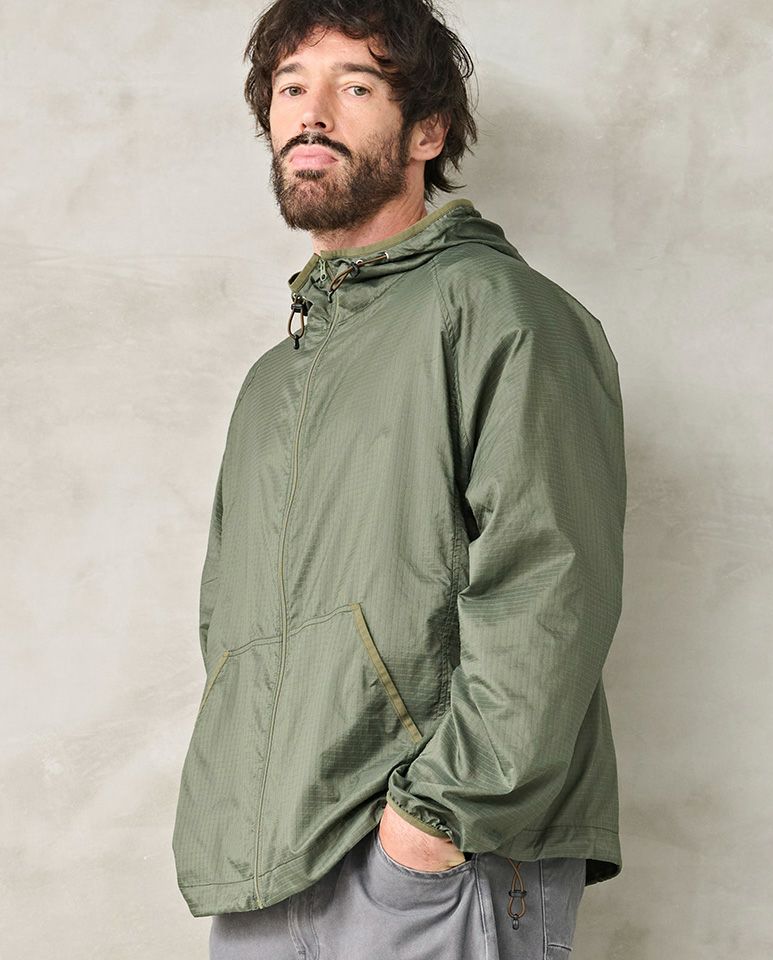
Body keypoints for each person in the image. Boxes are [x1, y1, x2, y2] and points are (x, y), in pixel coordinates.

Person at [170, 1, 628, 957]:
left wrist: (432, 824)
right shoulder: (274, 379)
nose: (311, 112)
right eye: (290, 88)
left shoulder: (503, 312)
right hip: (266, 878)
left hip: (433, 865)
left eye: (355, 86)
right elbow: (230, 623)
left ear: (428, 131)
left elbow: (552, 581)